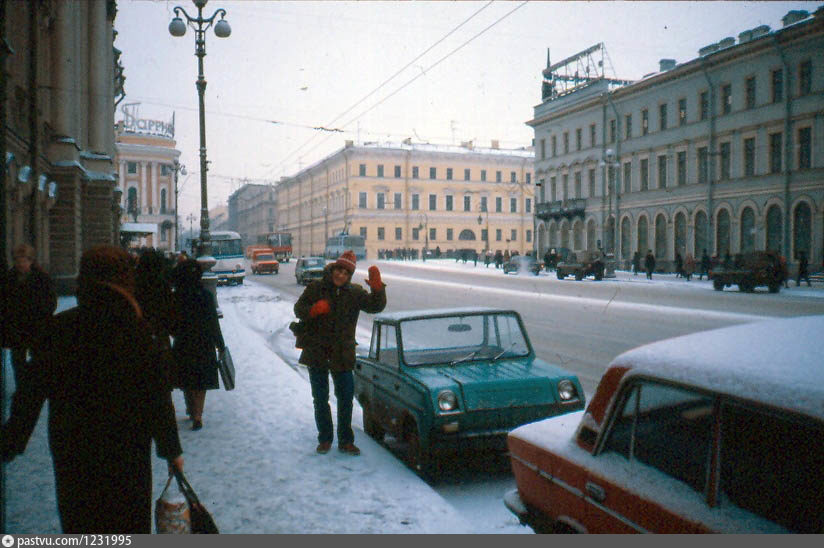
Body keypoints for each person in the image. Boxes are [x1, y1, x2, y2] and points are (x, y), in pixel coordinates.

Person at [1, 245, 183, 533]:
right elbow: (157, 398)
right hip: (127, 454)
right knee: (127, 524)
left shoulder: (60, 329)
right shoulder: (137, 331)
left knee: (80, 523)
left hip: (73, 451)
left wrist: (12, 442)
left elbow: (29, 394)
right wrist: (171, 451)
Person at [294, 250, 386, 456]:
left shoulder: (354, 293)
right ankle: (325, 439)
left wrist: (378, 288)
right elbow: (298, 308)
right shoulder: (316, 288)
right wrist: (313, 310)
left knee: (345, 399)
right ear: (333, 269)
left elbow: (375, 306)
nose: (341, 275)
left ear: (350, 275)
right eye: (339, 270)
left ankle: (345, 441)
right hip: (317, 351)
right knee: (320, 398)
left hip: (342, 354)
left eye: (346, 272)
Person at [170, 259, 225, 431]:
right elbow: (214, 323)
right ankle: (198, 415)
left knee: (187, 379)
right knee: (201, 382)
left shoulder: (176, 297)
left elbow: (171, 323)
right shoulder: (206, 296)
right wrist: (220, 344)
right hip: (204, 343)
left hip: (184, 343)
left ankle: (191, 409)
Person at [4, 243, 57, 386]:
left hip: (36, 326)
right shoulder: (9, 278)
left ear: (31, 260)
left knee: (38, 358)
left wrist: (41, 316)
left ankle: (35, 385)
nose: (20, 263)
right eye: (17, 260)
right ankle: (21, 386)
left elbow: (50, 302)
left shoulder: (42, 278)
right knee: (17, 360)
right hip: (16, 327)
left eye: (23, 260)